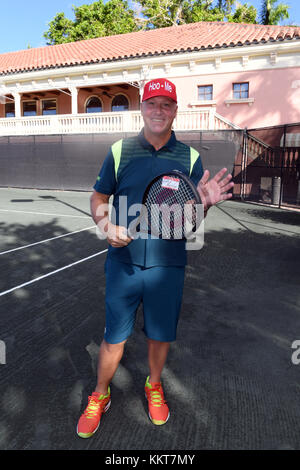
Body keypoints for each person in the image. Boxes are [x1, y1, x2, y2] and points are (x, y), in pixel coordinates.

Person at [76, 78, 234, 438]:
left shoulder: (191, 158)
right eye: (152, 104)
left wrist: (204, 203)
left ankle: (154, 384)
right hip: (123, 264)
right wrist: (105, 223)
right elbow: (98, 196)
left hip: (168, 267)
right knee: (114, 336)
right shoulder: (119, 152)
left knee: (159, 336)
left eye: (166, 104)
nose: (158, 111)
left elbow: (190, 219)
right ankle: (100, 393)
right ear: (142, 108)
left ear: (176, 110)